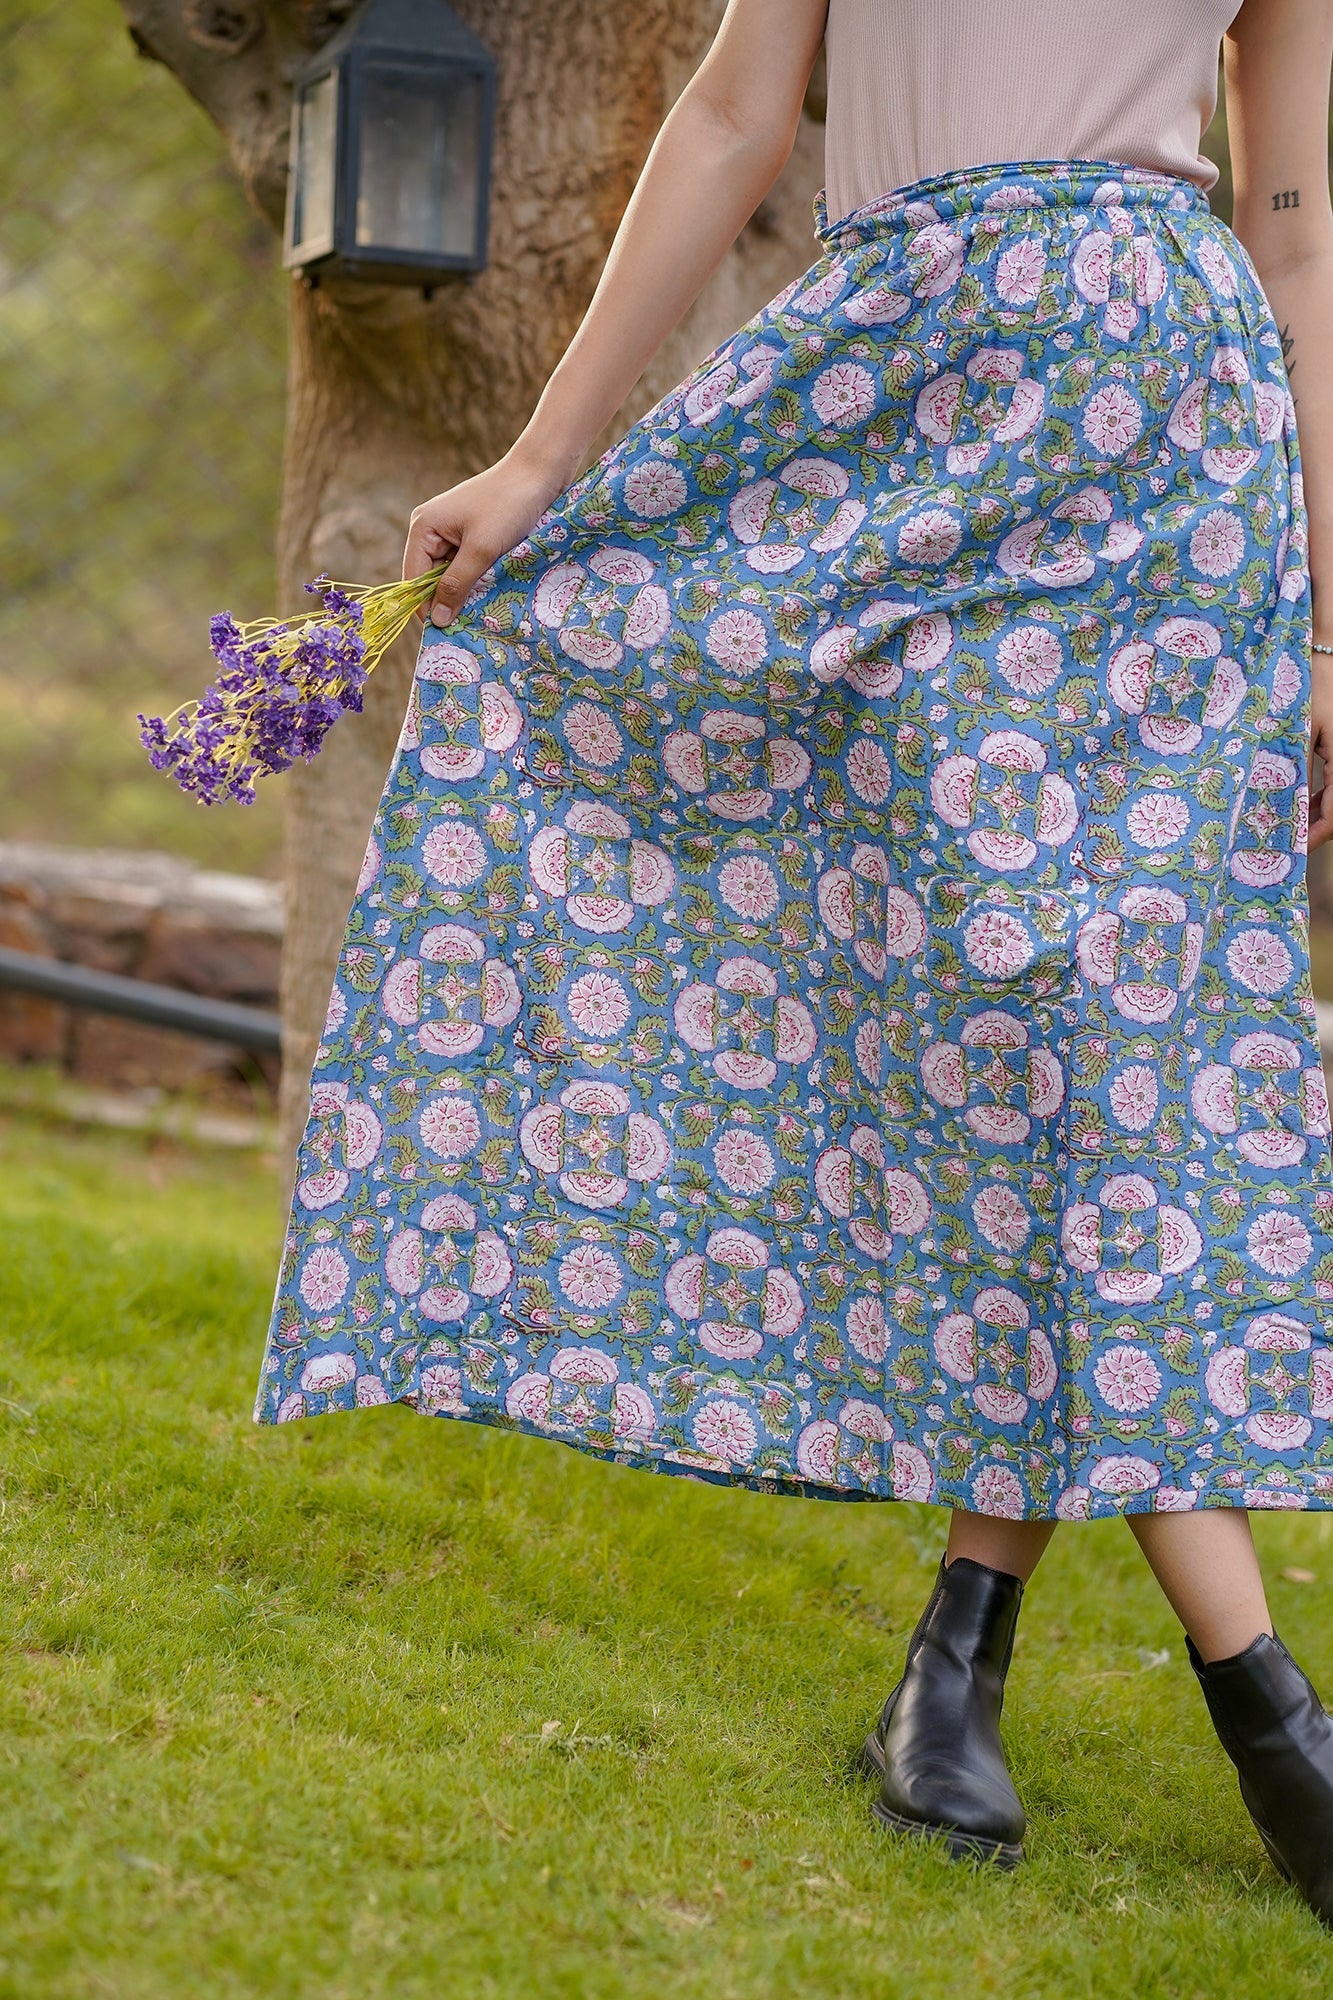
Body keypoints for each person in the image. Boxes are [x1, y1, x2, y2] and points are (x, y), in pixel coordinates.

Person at [253, 0, 1333, 1919]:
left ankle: (974, 1669)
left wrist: (1328, 621)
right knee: (1005, 1015)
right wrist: (536, 459)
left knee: (1098, 1030)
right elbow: (735, 109)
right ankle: (1255, 1706)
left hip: (1173, 443)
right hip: (892, 388)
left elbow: (1296, 216)